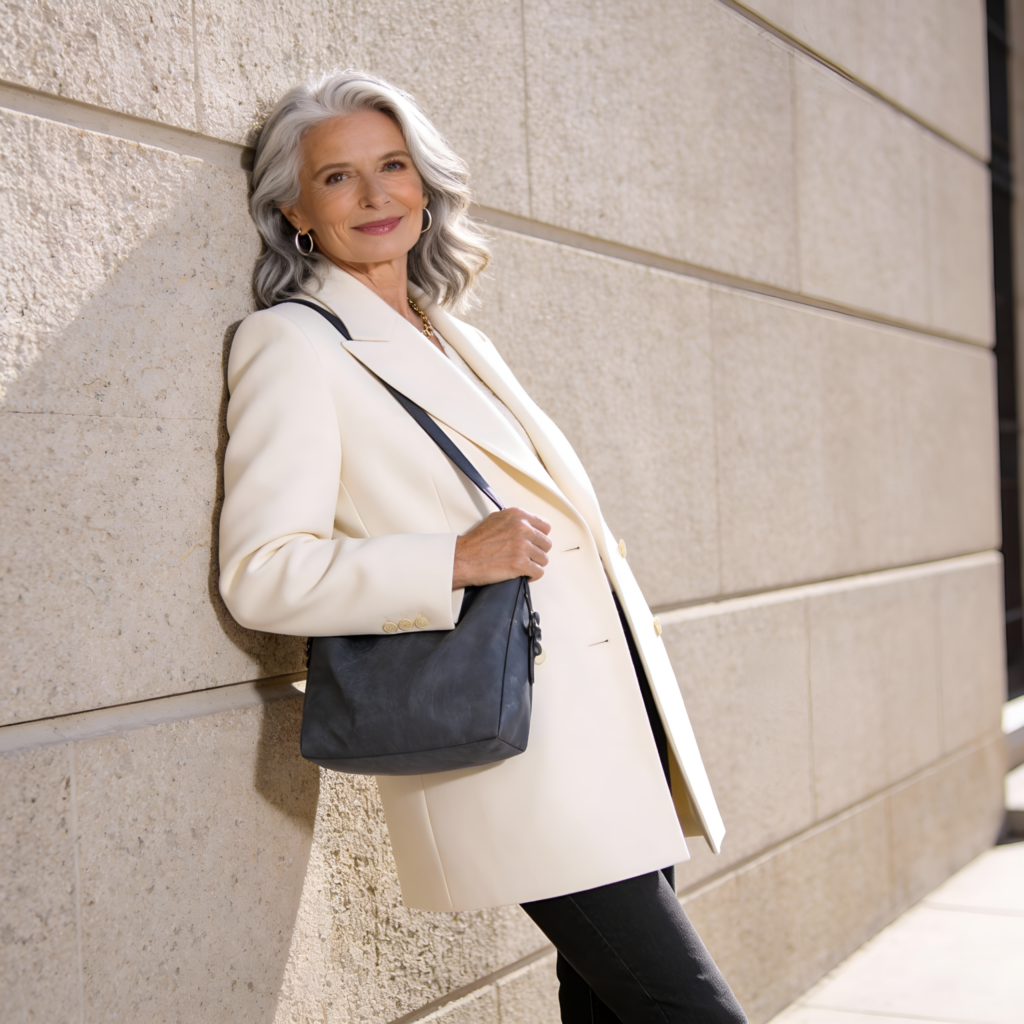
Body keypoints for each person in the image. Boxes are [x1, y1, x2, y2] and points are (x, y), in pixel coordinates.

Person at [219, 68, 746, 1024]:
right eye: (338, 179)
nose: (377, 196)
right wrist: (450, 559)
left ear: (427, 182)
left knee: (608, 1008)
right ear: (295, 210)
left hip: (612, 732)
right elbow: (262, 574)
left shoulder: (456, 336)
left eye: (394, 165)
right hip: (519, 758)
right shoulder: (292, 346)